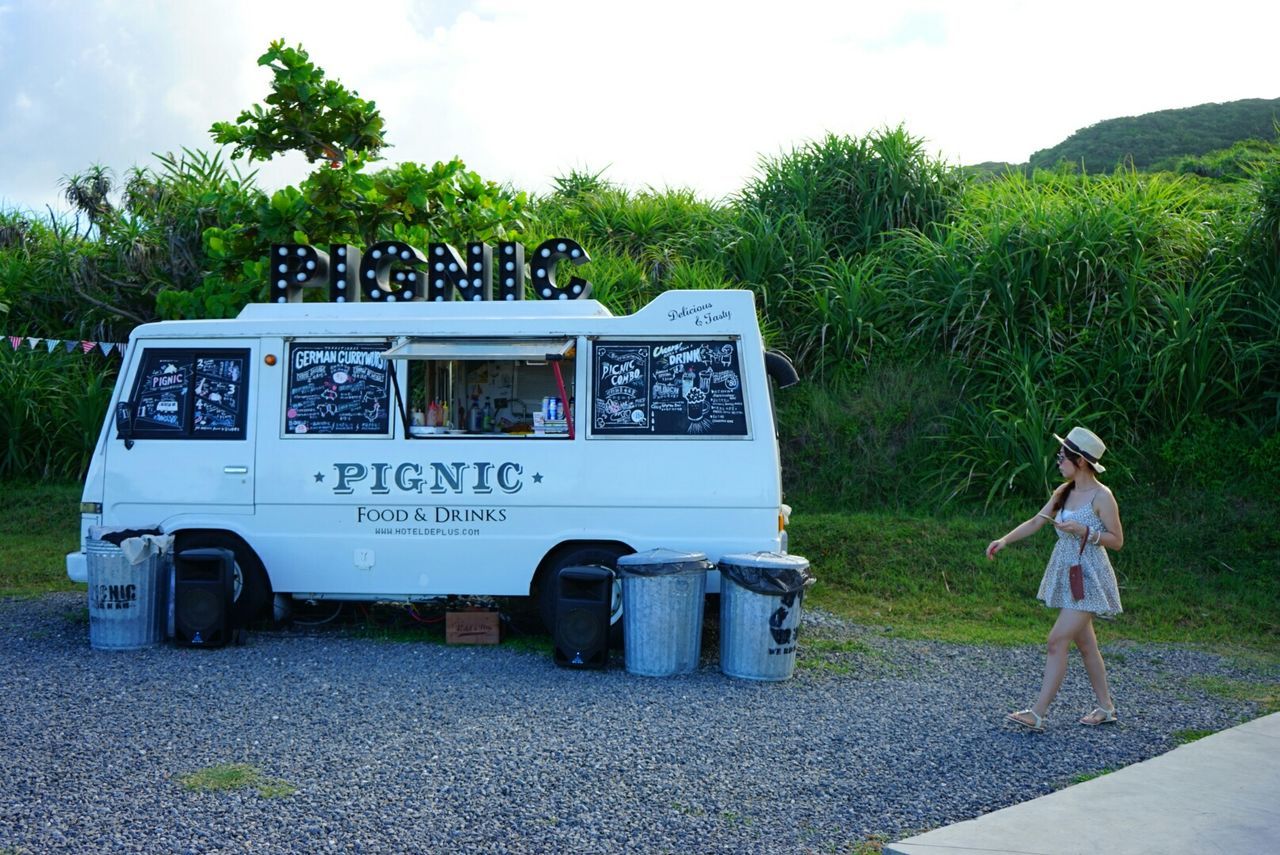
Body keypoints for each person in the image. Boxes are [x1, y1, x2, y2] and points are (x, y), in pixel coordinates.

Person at [985, 426, 1125, 731]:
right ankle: (1106, 707)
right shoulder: (1063, 492)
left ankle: (1037, 713)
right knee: (1086, 645)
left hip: (1090, 576)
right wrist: (1004, 541)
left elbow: (1117, 541)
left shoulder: (1102, 496)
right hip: (1067, 574)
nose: (1058, 461)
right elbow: (1037, 521)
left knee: (1056, 640)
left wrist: (1086, 532)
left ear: (1082, 461)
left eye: (1063, 456)